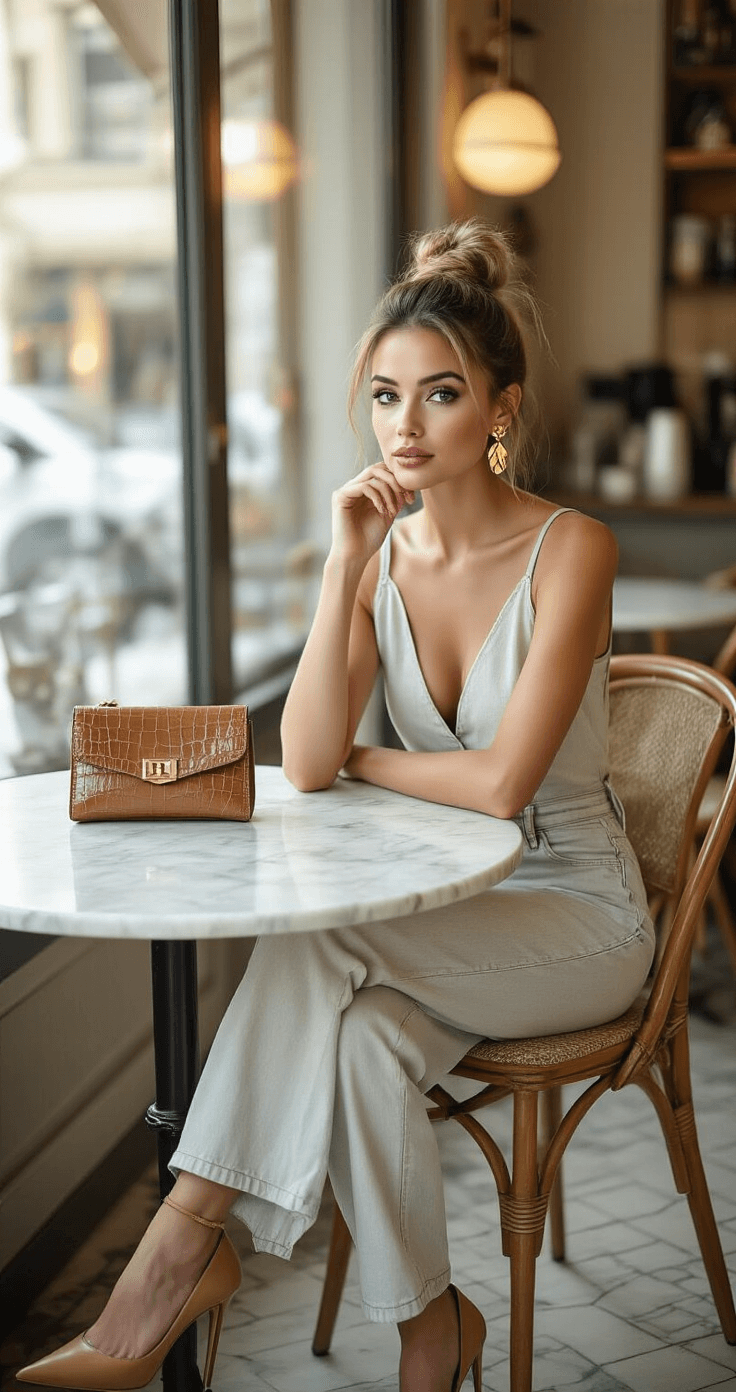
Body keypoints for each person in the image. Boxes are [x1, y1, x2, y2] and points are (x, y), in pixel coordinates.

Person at [17, 220, 655, 1392]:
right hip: (448, 912)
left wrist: (371, 762)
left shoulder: (576, 551)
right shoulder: (385, 557)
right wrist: (341, 566)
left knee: (325, 944)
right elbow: (306, 756)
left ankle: (173, 1255)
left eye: (441, 394)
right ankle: (431, 1334)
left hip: (576, 912)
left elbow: (504, 785)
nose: (404, 426)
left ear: (499, 410)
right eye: (384, 396)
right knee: (361, 1045)